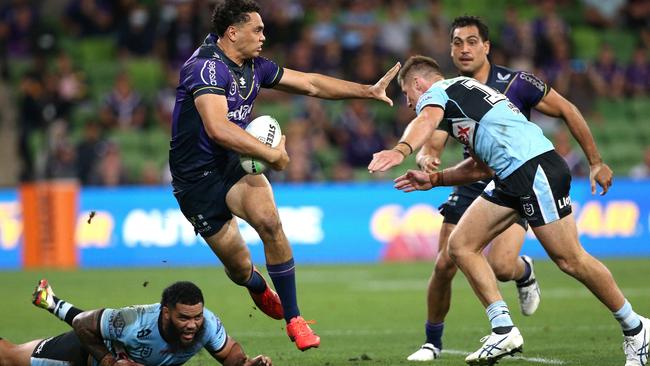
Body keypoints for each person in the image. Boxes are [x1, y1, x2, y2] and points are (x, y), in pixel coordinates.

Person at [368, 55, 649, 366]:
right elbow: (480, 166)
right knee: (460, 246)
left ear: (419, 85)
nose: (409, 104)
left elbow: (424, 120)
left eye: (408, 95)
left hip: (532, 170)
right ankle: (503, 329)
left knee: (570, 260)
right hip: (511, 175)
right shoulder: (466, 97)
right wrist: (434, 179)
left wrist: (400, 150)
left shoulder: (439, 92)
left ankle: (636, 328)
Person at [169, 0, 400, 351]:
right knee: (239, 266)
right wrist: (272, 155)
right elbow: (216, 128)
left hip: (233, 163)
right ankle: (258, 287)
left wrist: (366, 91)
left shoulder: (255, 67)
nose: (264, 36)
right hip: (195, 179)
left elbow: (310, 83)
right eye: (257, 29)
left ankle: (294, 319)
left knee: (270, 222)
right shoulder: (206, 68)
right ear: (233, 32)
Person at [406, 15, 603, 361]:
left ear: (486, 47)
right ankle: (432, 343)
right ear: (450, 49)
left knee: (502, 264)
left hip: (519, 174)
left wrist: (595, 161)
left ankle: (523, 273)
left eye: (471, 42)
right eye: (457, 43)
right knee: (445, 261)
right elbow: (434, 133)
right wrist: (428, 157)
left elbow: (568, 110)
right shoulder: (448, 90)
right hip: (472, 176)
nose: (464, 49)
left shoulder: (516, 83)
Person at [0, 279, 272, 366]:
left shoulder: (207, 325)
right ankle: (51, 302)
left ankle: (51, 301)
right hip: (86, 355)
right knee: (10, 357)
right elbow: (83, 323)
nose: (192, 325)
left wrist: (248, 363)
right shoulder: (135, 321)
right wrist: (109, 361)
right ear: (166, 313)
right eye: (184, 318)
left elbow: (230, 353)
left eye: (196, 317)